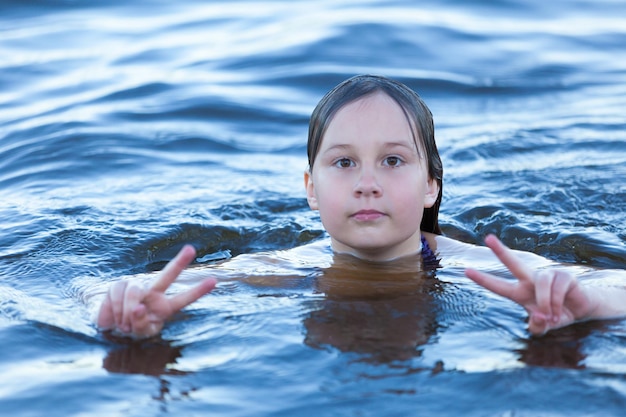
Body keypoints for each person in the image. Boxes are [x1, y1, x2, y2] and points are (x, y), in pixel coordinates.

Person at [95, 74, 626, 340]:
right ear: (310, 187)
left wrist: (582, 303)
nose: (367, 183)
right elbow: (86, 292)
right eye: (344, 164)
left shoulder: (479, 268)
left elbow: (615, 288)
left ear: (431, 187)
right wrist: (126, 307)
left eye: (393, 161)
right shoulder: (281, 270)